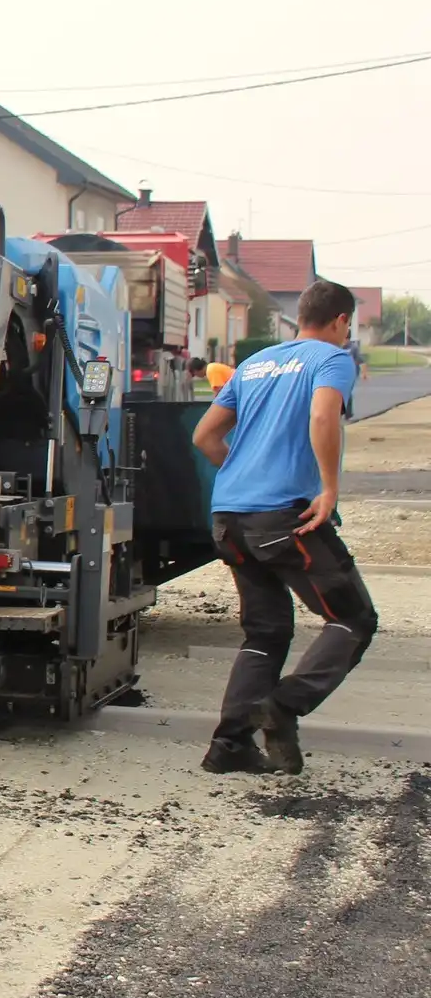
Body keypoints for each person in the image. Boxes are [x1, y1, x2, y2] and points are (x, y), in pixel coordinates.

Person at [191, 280, 377, 775]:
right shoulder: (332, 358)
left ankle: (229, 746)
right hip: (283, 517)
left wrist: (243, 475)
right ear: (340, 321)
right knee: (352, 619)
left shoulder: (254, 364)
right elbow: (323, 415)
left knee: (266, 632)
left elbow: (205, 436)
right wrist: (330, 489)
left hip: (228, 518)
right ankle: (284, 705)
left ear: (302, 317)